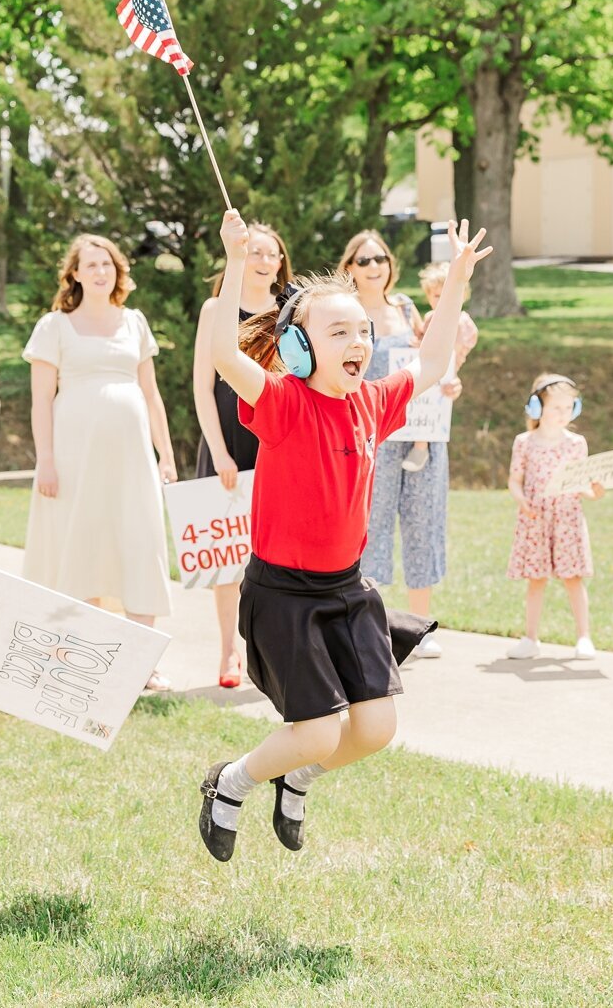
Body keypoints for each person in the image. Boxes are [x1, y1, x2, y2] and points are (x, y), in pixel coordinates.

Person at [195, 213, 489, 862]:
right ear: (300, 349)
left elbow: (433, 358)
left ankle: (296, 780)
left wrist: (458, 281)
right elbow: (222, 356)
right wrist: (236, 258)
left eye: (362, 329)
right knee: (318, 730)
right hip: (284, 593)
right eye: (339, 331)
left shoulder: (374, 401)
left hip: (348, 588)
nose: (358, 340)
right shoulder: (281, 401)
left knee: (375, 728)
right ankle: (230, 782)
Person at [22, 234, 178, 692]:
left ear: (117, 272)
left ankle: (142, 662)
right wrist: (45, 460)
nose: (99, 271)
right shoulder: (54, 326)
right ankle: (79, 653)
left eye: (106, 264)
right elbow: (40, 402)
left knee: (139, 540)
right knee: (82, 544)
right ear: (74, 274)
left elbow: (151, 395)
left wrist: (165, 454)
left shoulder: (134, 322)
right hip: (73, 460)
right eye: (89, 264)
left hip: (132, 459)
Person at [193, 222, 292, 687]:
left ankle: (268, 652)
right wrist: (218, 452)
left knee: (274, 555)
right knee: (228, 556)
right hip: (228, 443)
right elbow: (203, 387)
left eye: (271, 254)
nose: (263, 261)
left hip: (276, 442)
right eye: (255, 252)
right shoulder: (217, 309)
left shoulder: (291, 313)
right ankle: (229, 653)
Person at [344, 230, 449, 660]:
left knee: (423, 523)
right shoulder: (346, 314)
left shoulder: (406, 307)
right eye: (364, 260)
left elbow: (436, 358)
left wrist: (450, 384)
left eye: (380, 258)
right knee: (370, 529)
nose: (374, 267)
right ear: (349, 267)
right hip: (371, 434)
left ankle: (420, 628)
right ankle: (372, 628)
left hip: (420, 429)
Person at [505, 374, 605, 660]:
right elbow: (514, 480)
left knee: (573, 578)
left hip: (567, 520)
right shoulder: (524, 442)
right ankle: (531, 638)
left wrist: (594, 492)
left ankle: (584, 637)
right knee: (536, 580)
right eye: (556, 408)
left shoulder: (576, 443)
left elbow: (582, 484)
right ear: (537, 408)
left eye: (569, 407)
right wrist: (521, 500)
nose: (563, 414)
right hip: (536, 519)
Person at [401, 262, 477, 474]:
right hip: (429, 363)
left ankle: (421, 445)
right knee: (421, 397)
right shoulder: (430, 318)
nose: (442, 300)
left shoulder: (462, 321)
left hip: (446, 366)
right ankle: (415, 436)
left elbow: (457, 347)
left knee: (434, 399)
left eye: (448, 294)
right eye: (436, 296)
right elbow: (424, 340)